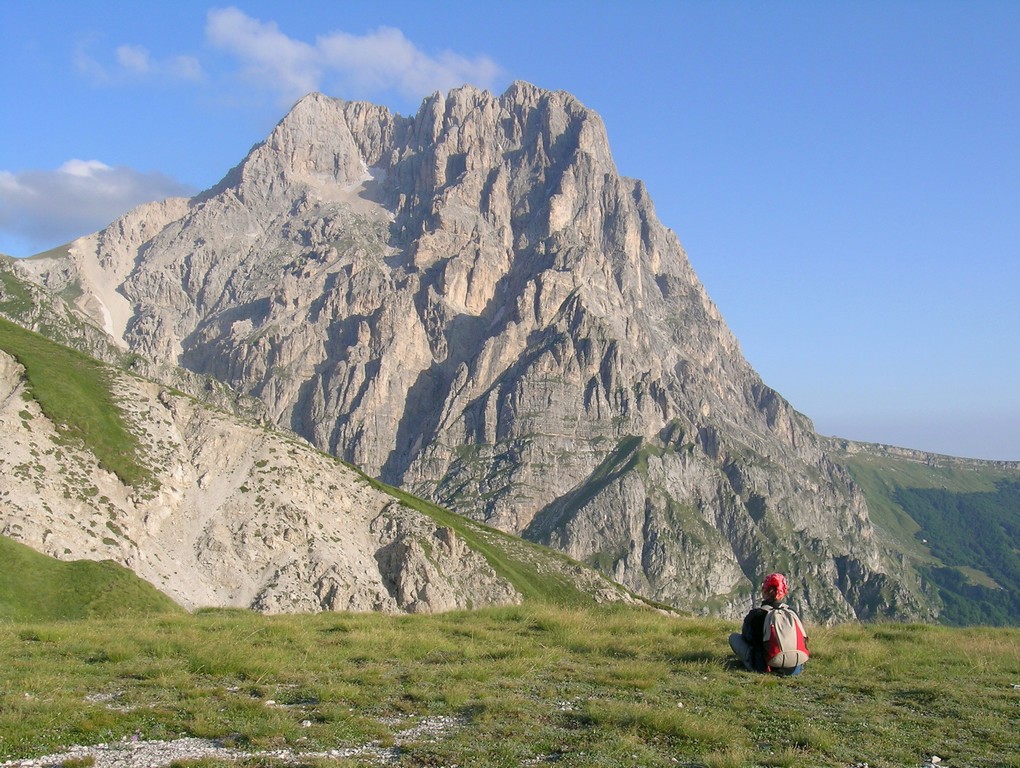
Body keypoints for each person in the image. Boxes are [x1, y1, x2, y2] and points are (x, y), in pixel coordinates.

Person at [728, 572, 808, 675]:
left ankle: (753, 665)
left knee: (734, 638)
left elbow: (747, 638)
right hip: (793, 669)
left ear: (765, 592)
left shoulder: (757, 614)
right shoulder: (792, 613)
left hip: (764, 667)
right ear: (783, 592)